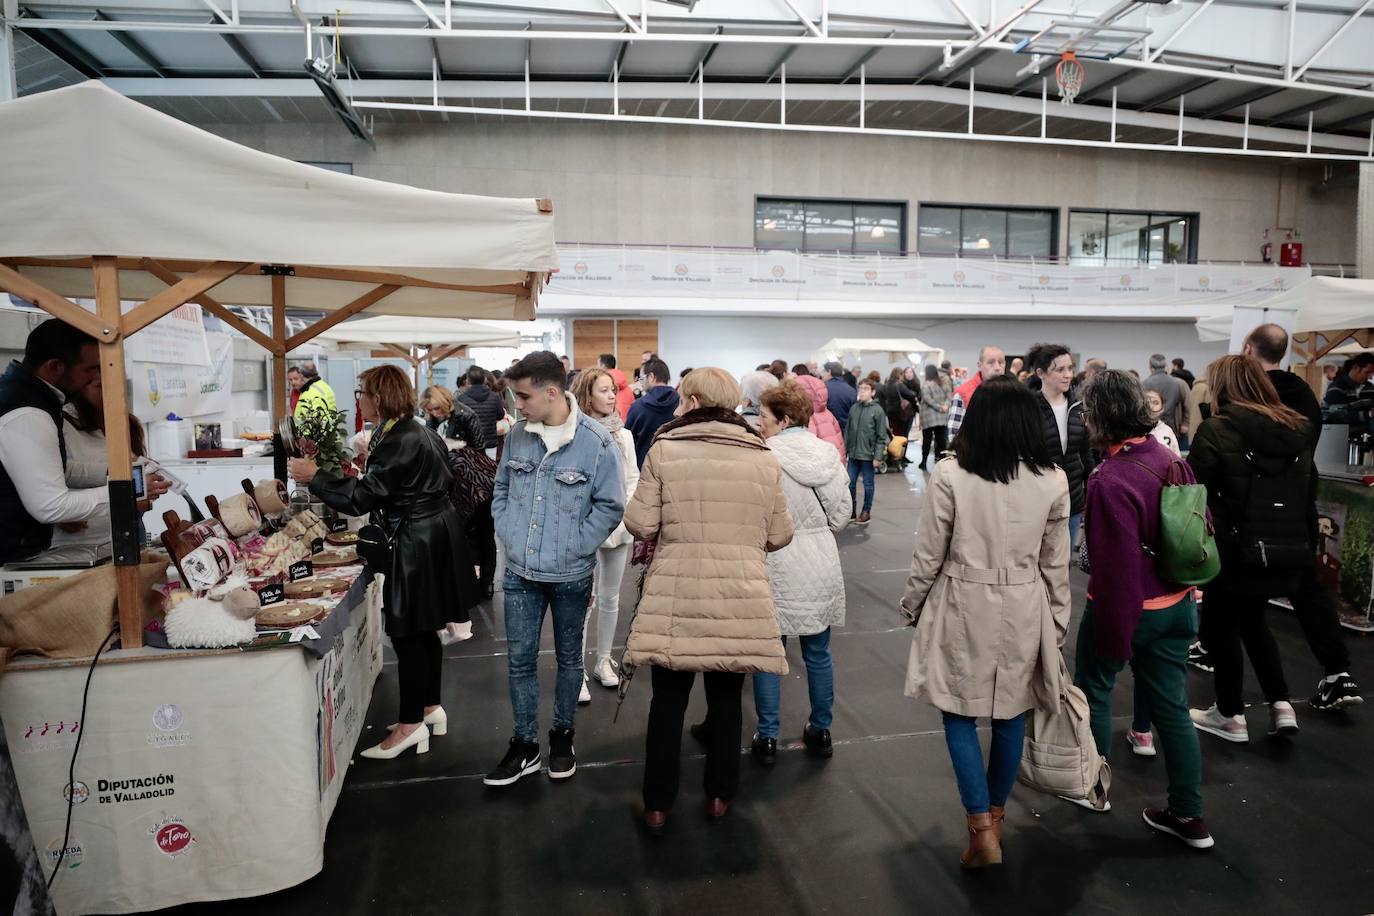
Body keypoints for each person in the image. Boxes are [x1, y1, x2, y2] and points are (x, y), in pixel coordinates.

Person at [899, 376, 1071, 870]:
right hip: (1025, 602)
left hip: (961, 599)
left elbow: (928, 553)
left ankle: (980, 831)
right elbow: (1055, 563)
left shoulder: (951, 475)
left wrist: (912, 605)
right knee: (1012, 714)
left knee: (958, 712)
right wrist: (1057, 622)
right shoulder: (1053, 479)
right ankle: (994, 823)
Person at [622, 368, 793, 831]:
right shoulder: (762, 455)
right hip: (739, 592)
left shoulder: (665, 448)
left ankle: (658, 804)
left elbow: (640, 524)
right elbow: (780, 534)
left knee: (667, 702)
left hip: (675, 589)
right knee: (726, 701)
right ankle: (720, 796)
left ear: (694, 401)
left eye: (681, 398)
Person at [290, 365, 479, 759]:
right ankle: (428, 708)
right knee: (425, 627)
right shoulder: (416, 430)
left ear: (377, 397)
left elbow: (363, 497)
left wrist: (317, 477)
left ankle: (411, 724)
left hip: (416, 540)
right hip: (432, 534)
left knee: (409, 631)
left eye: (361, 393)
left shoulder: (399, 438)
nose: (357, 400)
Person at [1074, 370, 1213, 850]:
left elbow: (1114, 574)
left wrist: (1115, 637)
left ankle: (1094, 790)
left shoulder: (1109, 478)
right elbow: (1200, 529)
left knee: (1094, 690)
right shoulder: (1172, 460)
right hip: (1177, 605)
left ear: (1100, 416)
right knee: (1173, 709)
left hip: (1128, 610)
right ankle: (1189, 814)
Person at [485, 352, 625, 786]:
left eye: (523, 396)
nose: (517, 405)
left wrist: (576, 545)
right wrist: (508, 531)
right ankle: (525, 745)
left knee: (569, 662)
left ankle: (562, 736)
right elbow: (502, 488)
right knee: (519, 662)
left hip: (571, 574)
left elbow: (611, 505)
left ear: (551, 392)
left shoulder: (597, 442)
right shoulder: (519, 437)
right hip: (521, 573)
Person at [1187, 356, 1313, 744]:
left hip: (1232, 545)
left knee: (1222, 627)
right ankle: (1280, 704)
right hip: (1283, 544)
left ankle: (1230, 713)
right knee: (1256, 623)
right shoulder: (1297, 428)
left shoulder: (1217, 430)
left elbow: (1195, 488)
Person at [1242, 325, 1362, 709]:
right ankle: (1338, 675)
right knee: (1309, 592)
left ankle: (1262, 703)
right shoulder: (1306, 396)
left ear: (1247, 349)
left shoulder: (1249, 397)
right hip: (1298, 509)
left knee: (1242, 598)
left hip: (1255, 513)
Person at [751, 383, 851, 764]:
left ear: (784, 419)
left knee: (768, 654)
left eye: (763, 416)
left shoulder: (762, 456)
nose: (758, 423)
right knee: (818, 653)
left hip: (774, 562)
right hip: (820, 560)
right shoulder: (828, 453)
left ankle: (768, 735)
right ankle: (821, 729)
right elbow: (842, 515)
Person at [0, 320, 112, 564]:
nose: (96, 377)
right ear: (54, 367)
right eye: (89, 369)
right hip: (10, 555)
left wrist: (109, 472)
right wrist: (125, 493)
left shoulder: (35, 400)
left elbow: (51, 468)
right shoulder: (28, 413)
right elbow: (50, 505)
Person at [569, 369, 640, 696]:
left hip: (618, 527)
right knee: (584, 599)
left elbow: (632, 478)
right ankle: (576, 670)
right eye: (604, 390)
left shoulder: (623, 436)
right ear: (588, 394)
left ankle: (603, 661)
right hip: (582, 527)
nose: (612, 396)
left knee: (611, 598)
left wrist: (623, 513)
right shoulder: (574, 433)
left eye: (613, 390)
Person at [52, 376, 170, 547]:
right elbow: (59, 475)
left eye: (117, 385)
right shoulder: (62, 424)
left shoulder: (126, 423)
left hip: (125, 531)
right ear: (78, 387)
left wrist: (144, 487)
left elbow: (136, 488)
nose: (111, 393)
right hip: (79, 541)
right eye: (100, 385)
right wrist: (58, 518)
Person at [1028, 343, 1093, 548]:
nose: (1068, 375)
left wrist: (1092, 482)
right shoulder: (1028, 408)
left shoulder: (1079, 407)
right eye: (1060, 369)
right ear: (1041, 373)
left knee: (1063, 561)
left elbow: (1086, 450)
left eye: (1070, 368)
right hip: (1038, 498)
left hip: (1072, 497)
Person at [843, 379, 890, 524]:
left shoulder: (878, 411)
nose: (862, 391)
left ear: (873, 392)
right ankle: (851, 511)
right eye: (860, 388)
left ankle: (866, 512)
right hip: (853, 454)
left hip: (869, 456)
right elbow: (848, 431)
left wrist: (878, 456)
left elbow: (881, 436)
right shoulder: (854, 408)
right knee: (850, 483)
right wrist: (845, 451)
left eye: (866, 388)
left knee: (868, 485)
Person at [625, 357, 679, 469]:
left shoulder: (638, 406)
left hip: (645, 468)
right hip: (675, 467)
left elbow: (627, 441)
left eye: (641, 378)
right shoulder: (681, 403)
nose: (641, 383)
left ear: (651, 377)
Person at [947, 346, 1005, 439]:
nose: (997, 367)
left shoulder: (1012, 392)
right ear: (979, 365)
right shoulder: (962, 393)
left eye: (1001, 362)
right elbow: (954, 435)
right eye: (990, 362)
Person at [794, 372, 846, 463]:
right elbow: (840, 442)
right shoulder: (828, 413)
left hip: (820, 465)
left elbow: (808, 449)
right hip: (834, 462)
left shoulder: (806, 417)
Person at [457, 366, 507, 459]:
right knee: (489, 470)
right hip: (490, 443)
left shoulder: (461, 399)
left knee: (471, 472)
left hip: (470, 444)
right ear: (484, 379)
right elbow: (500, 416)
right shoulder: (495, 397)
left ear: (467, 381)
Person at [420, 384, 486, 450]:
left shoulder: (466, 416)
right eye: (429, 410)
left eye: (437, 408)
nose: (434, 413)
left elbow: (478, 449)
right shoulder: (430, 418)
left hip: (461, 458)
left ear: (445, 403)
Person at [1141, 354, 1188, 444]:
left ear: (1150, 366)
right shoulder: (1176, 383)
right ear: (1165, 366)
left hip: (1151, 428)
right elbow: (1184, 404)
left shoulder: (1145, 384)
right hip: (1172, 426)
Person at [918, 364, 950, 470]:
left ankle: (923, 462)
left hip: (928, 418)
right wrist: (944, 406)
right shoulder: (943, 384)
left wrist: (939, 407)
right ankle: (942, 462)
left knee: (927, 440)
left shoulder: (926, 385)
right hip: (942, 417)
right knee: (941, 441)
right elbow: (948, 396)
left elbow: (928, 399)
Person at [878, 368, 918, 439]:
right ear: (899, 375)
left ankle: (893, 449)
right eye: (902, 375)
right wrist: (913, 392)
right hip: (901, 414)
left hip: (890, 414)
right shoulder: (899, 384)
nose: (903, 377)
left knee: (894, 435)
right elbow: (911, 395)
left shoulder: (886, 385)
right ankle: (901, 450)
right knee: (903, 436)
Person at [597, 354, 635, 421]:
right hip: (627, 423)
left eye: (598, 364)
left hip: (612, 423)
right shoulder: (625, 384)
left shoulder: (603, 384)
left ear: (603, 365)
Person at [1144, 389, 1182, 455]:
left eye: (1155, 403)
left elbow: (1176, 456)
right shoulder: (1135, 431)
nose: (1151, 406)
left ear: (1162, 407)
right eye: (1147, 402)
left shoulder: (1167, 431)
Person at [823, 362, 856, 430]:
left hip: (829, 429)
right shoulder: (851, 390)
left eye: (823, 371)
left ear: (829, 372)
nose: (822, 374)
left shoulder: (823, 388)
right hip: (846, 430)